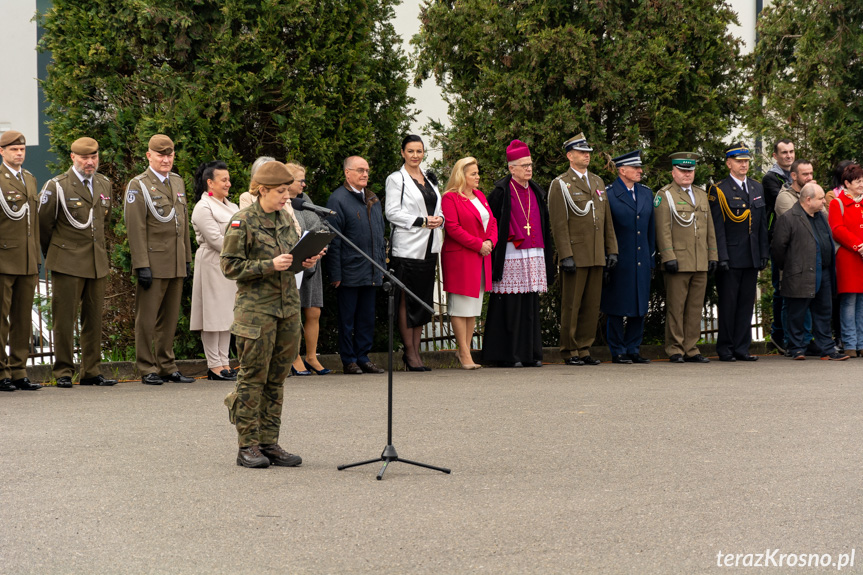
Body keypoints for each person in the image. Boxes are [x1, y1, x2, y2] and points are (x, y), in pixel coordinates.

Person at [221, 161, 323, 468]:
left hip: (287, 308)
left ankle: (269, 442)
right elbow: (229, 267)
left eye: (287, 192)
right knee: (253, 378)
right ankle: (247, 446)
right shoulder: (243, 221)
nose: (285, 197)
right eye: (280, 192)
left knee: (277, 379)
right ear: (262, 190)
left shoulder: (285, 219)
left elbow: (291, 256)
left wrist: (305, 260)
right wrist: (269, 265)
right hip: (256, 312)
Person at [38, 137, 116, 388]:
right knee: (64, 318)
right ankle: (62, 370)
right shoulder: (57, 186)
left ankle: (91, 371)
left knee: (93, 318)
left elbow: (105, 222)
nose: (90, 162)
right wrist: (56, 254)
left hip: (96, 262)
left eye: (94, 157)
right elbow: (43, 226)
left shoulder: (104, 183)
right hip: (67, 261)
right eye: (84, 158)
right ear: (73, 157)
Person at [124, 134, 194, 385]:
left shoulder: (176, 181)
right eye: (161, 155)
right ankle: (146, 366)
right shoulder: (138, 185)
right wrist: (141, 263)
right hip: (153, 262)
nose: (166, 159)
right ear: (149, 156)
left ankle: (167, 364)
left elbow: (182, 224)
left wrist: (186, 257)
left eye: (170, 154)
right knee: (147, 317)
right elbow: (135, 228)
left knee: (170, 317)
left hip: (174, 261)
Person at [482, 140, 554, 368]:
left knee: (530, 304)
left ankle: (530, 354)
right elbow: (492, 223)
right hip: (510, 254)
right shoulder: (500, 192)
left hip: (533, 252)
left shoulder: (535, 190)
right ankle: (509, 355)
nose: (529, 169)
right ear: (511, 168)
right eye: (524, 165)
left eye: (530, 165)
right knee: (510, 305)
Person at [549, 132, 618, 366]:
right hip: (576, 254)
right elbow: (559, 224)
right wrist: (565, 255)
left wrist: (612, 250)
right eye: (581, 152)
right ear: (570, 156)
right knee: (572, 303)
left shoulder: (597, 182)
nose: (586, 156)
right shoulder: (561, 184)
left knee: (591, 304)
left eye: (587, 152)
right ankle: (569, 350)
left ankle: (585, 348)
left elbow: (606, 218)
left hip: (597, 252)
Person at [384, 135, 444, 371]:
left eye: (419, 151)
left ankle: (417, 351)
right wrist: (421, 221)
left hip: (429, 246)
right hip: (407, 248)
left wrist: (440, 220)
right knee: (406, 300)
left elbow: (437, 209)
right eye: (411, 151)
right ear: (402, 153)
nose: (415, 156)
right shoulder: (396, 179)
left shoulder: (429, 179)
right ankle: (409, 353)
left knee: (422, 301)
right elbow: (392, 213)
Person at [653, 152, 718, 363]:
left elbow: (709, 228)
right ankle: (675, 348)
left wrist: (712, 255)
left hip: (699, 261)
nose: (687, 174)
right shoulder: (665, 195)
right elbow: (662, 230)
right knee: (676, 306)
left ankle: (691, 347)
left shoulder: (700, 194)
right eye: (682, 170)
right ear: (673, 172)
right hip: (678, 261)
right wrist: (667, 256)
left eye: (690, 170)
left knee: (694, 307)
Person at [771, 183, 848, 361]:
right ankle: (797, 348)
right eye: (820, 199)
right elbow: (778, 249)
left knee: (823, 311)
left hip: (823, 271)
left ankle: (827, 349)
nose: (824, 202)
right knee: (797, 312)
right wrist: (791, 267)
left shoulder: (820, 216)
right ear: (808, 199)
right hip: (799, 273)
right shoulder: (789, 218)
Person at [325, 156, 387, 375]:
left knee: (366, 318)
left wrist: (381, 267)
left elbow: (379, 236)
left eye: (367, 171)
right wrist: (336, 273)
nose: (365, 174)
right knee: (347, 319)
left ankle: (363, 357)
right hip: (349, 271)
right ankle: (348, 359)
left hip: (371, 270)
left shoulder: (372, 199)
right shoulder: (337, 200)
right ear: (347, 173)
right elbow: (334, 240)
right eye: (360, 170)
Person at [708, 143, 769, 362]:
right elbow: (717, 227)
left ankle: (742, 347)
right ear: (729, 163)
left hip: (751, 255)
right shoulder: (719, 189)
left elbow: (761, 224)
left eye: (746, 161)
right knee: (728, 304)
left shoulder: (756, 187)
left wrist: (763, 252)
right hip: (731, 257)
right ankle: (725, 347)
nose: (744, 165)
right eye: (739, 161)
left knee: (746, 304)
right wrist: (721, 255)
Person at [440, 157, 498, 369]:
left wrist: (490, 241)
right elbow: (453, 229)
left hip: (480, 256)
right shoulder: (450, 198)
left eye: (477, 172)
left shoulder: (480, 196)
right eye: (473, 173)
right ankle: (464, 354)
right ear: (461, 175)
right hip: (461, 257)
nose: (477, 176)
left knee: (473, 307)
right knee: (460, 306)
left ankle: (464, 350)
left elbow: (492, 221)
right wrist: (478, 244)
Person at [600, 150, 654, 364]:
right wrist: (608, 257)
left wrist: (651, 256)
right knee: (616, 306)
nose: (640, 171)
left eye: (639, 167)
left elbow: (651, 229)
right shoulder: (608, 194)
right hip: (619, 260)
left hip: (641, 258)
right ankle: (617, 349)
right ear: (622, 170)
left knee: (640, 305)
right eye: (635, 168)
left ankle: (633, 347)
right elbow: (606, 229)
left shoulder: (646, 193)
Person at [0, 130, 42, 392]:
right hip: (3, 258)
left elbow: (33, 222)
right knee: (0, 319)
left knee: (22, 318)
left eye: (22, 150)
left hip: (27, 259)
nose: (19, 154)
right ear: (1, 151)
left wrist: (35, 255)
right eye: (14, 149)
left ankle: (19, 371)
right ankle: (1, 372)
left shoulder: (29, 179)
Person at [190, 160, 239, 381]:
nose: (228, 183)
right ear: (210, 182)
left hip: (231, 264)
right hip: (212, 263)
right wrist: (243, 248)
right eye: (224, 180)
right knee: (211, 316)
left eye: (229, 179)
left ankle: (225, 362)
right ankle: (214, 365)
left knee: (227, 315)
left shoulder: (233, 206)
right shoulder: (203, 207)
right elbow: (215, 239)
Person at [285, 161, 332, 376]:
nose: (304, 185)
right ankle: (294, 357)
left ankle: (312, 356)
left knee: (313, 310)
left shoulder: (306, 200)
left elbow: (321, 226)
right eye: (300, 180)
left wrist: (321, 246)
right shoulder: (282, 202)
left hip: (313, 263)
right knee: (293, 312)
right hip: (293, 264)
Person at [761, 139, 795, 353]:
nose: (788, 156)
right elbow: (785, 203)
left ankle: (797, 335)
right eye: (783, 152)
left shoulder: (797, 173)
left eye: (791, 151)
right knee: (780, 289)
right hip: (779, 239)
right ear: (775, 155)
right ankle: (778, 334)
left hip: (799, 239)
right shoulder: (770, 178)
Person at [828, 163, 863, 356]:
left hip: (861, 259)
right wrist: (859, 246)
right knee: (849, 301)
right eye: (858, 181)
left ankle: (861, 343)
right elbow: (837, 229)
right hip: (848, 257)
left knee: (862, 302)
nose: (861, 184)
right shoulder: (837, 203)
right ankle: (850, 344)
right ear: (847, 183)